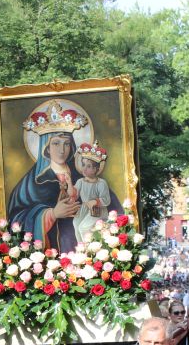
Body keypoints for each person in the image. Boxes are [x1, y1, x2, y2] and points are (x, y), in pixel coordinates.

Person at [7, 101, 122, 253]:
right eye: (55, 144)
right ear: (45, 148)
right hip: (50, 256)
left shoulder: (83, 176)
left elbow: (113, 210)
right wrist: (52, 214)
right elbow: (16, 218)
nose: (62, 150)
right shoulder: (32, 182)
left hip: (84, 251)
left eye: (66, 144)